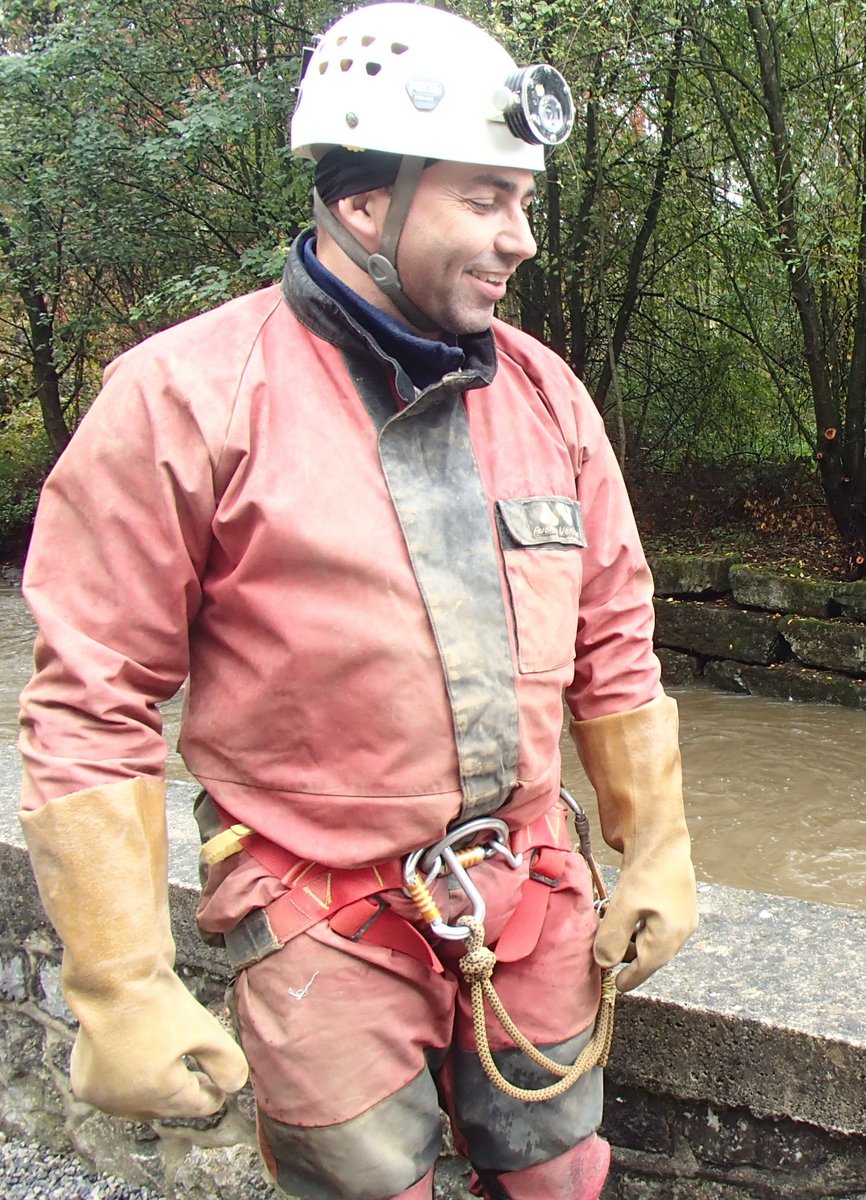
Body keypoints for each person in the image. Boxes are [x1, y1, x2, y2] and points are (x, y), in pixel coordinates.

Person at [15, 4, 696, 1198]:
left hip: (532, 891)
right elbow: (91, 703)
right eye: (485, 200)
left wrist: (658, 848)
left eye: (524, 201)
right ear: (367, 205)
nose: (521, 238)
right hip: (320, 921)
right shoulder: (184, 397)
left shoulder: (547, 396)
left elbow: (613, 642)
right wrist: (120, 982)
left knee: (561, 1175)